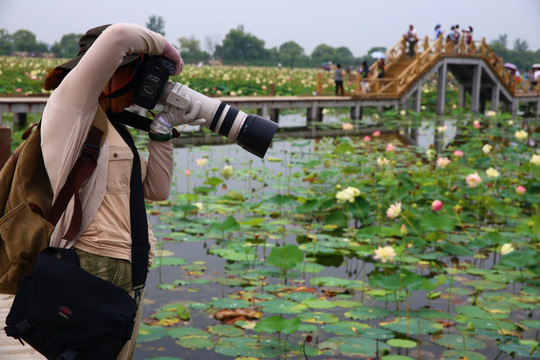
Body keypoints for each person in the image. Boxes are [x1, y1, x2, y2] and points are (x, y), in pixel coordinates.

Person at [41, 23, 204, 359]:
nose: (144, 87)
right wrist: (168, 54)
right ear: (107, 73)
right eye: (138, 75)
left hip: (131, 269)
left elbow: (156, 191)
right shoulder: (70, 111)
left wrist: (160, 131)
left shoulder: (113, 125)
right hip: (90, 264)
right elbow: (118, 36)